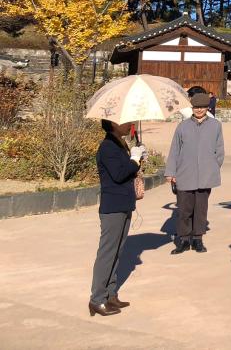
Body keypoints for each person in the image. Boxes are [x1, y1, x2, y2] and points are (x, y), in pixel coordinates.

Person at [88, 120, 146, 317]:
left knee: (117, 252)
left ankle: (110, 294)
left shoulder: (119, 143)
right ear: (113, 124)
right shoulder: (107, 147)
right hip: (113, 207)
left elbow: (128, 171)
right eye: (125, 121)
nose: (129, 124)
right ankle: (97, 299)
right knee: (107, 254)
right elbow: (119, 174)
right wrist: (134, 160)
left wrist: (138, 157)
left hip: (123, 203)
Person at [165, 92, 224, 254]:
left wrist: (213, 166)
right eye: (196, 107)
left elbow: (219, 150)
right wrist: (171, 172)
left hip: (205, 174)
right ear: (192, 108)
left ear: (207, 108)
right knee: (184, 209)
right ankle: (184, 239)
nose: (199, 110)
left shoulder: (215, 125)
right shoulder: (182, 126)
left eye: (202, 107)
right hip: (184, 173)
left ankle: (198, 238)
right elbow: (174, 150)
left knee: (200, 209)